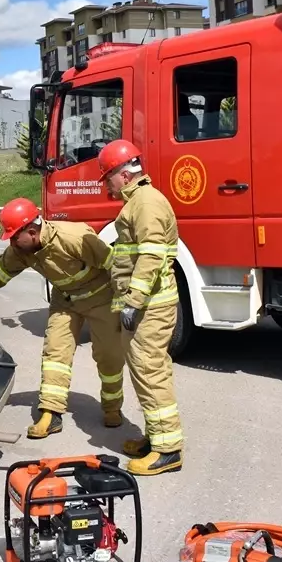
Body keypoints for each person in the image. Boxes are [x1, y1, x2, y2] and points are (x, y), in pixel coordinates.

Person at [0, 198, 125, 439]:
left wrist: (124, 300)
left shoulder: (74, 238)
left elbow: (113, 264)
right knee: (55, 354)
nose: (11, 242)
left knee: (109, 356)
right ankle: (51, 414)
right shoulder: (23, 249)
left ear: (32, 231)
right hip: (66, 301)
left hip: (100, 298)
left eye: (13, 236)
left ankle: (112, 407)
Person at [97, 139, 183, 476]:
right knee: (146, 371)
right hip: (148, 304)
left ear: (123, 174)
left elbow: (150, 256)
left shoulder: (145, 203)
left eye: (108, 178)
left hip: (150, 306)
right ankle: (156, 437)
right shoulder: (138, 202)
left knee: (150, 371)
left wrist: (133, 300)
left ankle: (168, 450)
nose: (108, 185)